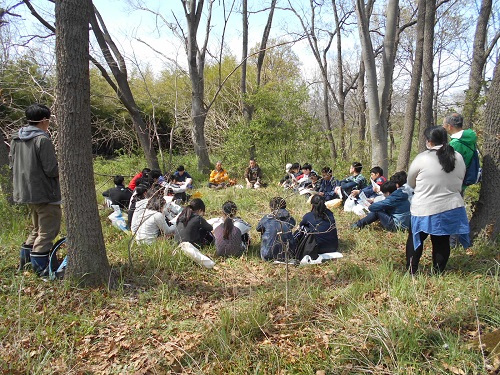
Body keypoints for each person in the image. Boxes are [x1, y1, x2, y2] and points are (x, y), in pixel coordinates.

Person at [405, 126, 469, 274]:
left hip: (425, 207)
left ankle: (411, 272)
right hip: (451, 207)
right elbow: (461, 178)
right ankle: (438, 273)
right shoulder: (458, 157)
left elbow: (410, 182)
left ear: (429, 141)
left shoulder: (423, 158)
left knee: (416, 239)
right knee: (441, 241)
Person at [9, 104, 62, 274]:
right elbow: (51, 170)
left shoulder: (16, 138)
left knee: (37, 230)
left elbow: (12, 164)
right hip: (45, 193)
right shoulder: (42, 139)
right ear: (44, 120)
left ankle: (25, 265)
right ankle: (41, 270)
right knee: (48, 232)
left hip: (24, 192)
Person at [256, 197, 296, 261]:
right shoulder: (290, 219)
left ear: (271, 207)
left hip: (267, 256)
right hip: (287, 255)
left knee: (264, 230)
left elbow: (258, 228)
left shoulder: (267, 218)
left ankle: (268, 248)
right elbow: (293, 225)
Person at [443, 113, 478, 185]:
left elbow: (449, 165)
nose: (443, 127)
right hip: (465, 177)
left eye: (443, 124)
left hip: (455, 182)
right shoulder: (469, 138)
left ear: (449, 126)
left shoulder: (455, 144)